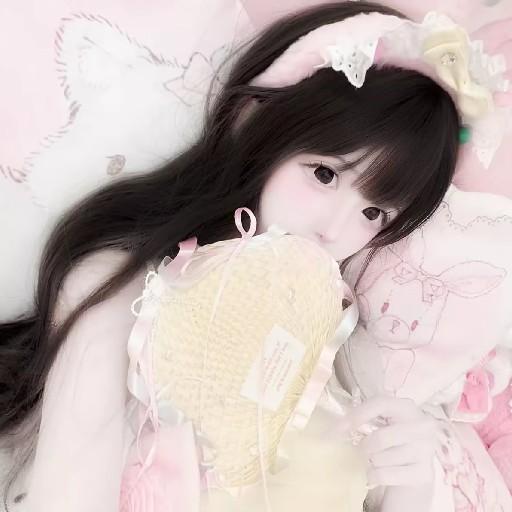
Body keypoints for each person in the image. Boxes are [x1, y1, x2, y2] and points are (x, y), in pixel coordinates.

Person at [0, 1, 471, 510]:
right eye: (324, 174)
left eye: (374, 212)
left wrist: (409, 486)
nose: (334, 231)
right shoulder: (127, 290)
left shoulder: (345, 344)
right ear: (257, 124)